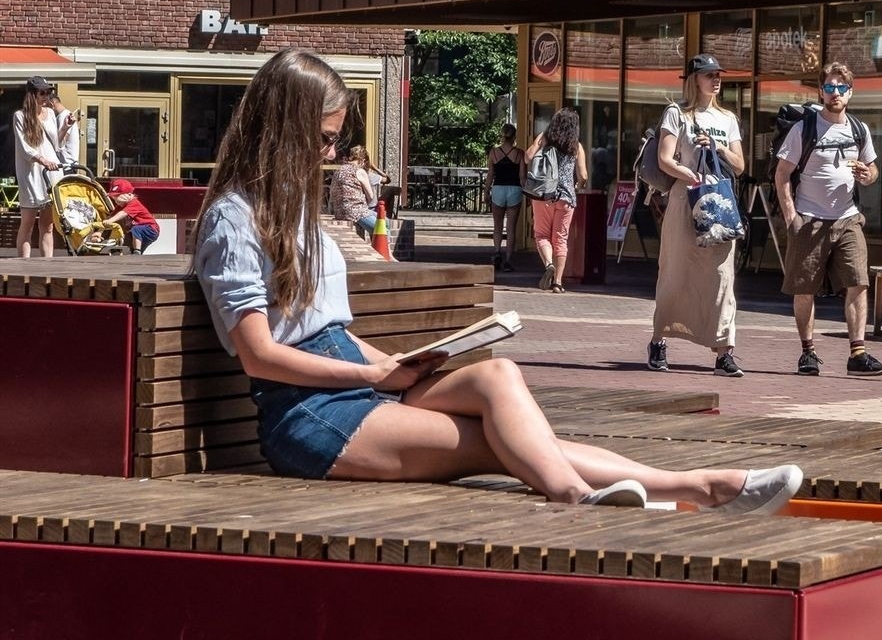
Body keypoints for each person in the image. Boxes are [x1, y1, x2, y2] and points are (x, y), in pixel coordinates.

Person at [190, 47, 801, 515]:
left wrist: (397, 363)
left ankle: (693, 485)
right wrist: (372, 374)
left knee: (500, 377)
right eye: (325, 140)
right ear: (286, 130)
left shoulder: (294, 210)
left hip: (348, 379)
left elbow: (329, 332)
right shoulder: (234, 218)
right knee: (502, 443)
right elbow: (260, 354)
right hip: (310, 413)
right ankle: (617, 494)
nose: (331, 153)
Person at [774, 62, 882, 378]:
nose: (835, 93)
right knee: (804, 287)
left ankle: (858, 353)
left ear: (850, 93)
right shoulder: (804, 128)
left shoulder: (858, 128)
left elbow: (873, 169)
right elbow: (782, 174)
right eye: (829, 87)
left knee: (858, 283)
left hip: (848, 218)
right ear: (821, 91)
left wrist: (868, 176)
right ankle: (808, 352)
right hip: (809, 219)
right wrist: (791, 217)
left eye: (841, 88)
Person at [647, 54, 747, 378]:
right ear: (694, 79)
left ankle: (724, 352)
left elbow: (741, 165)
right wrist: (689, 175)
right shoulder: (677, 113)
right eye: (709, 75)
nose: (716, 80)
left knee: (722, 276)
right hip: (684, 197)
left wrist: (717, 149)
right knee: (675, 270)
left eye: (718, 75)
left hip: (718, 201)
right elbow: (664, 158)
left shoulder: (727, 118)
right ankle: (659, 341)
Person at [525, 109, 587, 294]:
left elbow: (527, 156)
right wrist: (578, 185)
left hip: (543, 194)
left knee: (542, 235)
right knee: (560, 239)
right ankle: (558, 282)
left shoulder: (544, 138)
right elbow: (583, 175)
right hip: (566, 197)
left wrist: (539, 141)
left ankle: (549, 264)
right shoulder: (576, 146)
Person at [12, 76, 62, 258]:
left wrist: (65, 127)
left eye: (49, 92)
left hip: (51, 172)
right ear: (32, 94)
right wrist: (42, 160)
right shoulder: (20, 116)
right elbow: (25, 147)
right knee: (28, 221)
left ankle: (46, 266)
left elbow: (56, 145)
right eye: (42, 92)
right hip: (31, 172)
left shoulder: (50, 114)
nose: (46, 96)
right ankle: (24, 265)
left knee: (48, 225)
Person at [485, 123, 524, 272]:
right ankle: (508, 260)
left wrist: (486, 191)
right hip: (515, 189)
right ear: (514, 136)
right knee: (511, 227)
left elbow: (490, 175)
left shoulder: (494, 153)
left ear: (502, 135)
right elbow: (522, 177)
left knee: (497, 226)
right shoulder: (519, 153)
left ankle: (496, 253)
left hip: (498, 189)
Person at [102, 178, 160, 253]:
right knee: (128, 243)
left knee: (136, 229)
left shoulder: (133, 203)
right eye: (115, 200)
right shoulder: (120, 206)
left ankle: (137, 250)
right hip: (138, 231)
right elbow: (111, 216)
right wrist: (100, 233)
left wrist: (110, 221)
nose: (116, 202)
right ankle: (133, 253)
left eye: (118, 199)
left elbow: (122, 213)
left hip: (151, 229)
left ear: (129, 195)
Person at [328, 146, 376, 235]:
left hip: (339, 212)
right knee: (383, 228)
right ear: (362, 160)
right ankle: (380, 248)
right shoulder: (359, 171)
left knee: (379, 218)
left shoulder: (338, 171)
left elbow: (332, 193)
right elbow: (370, 196)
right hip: (356, 212)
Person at [48, 92, 81, 167]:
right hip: (68, 163)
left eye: (47, 107)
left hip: (67, 164)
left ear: (51, 104)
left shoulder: (64, 116)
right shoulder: (63, 115)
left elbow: (62, 139)